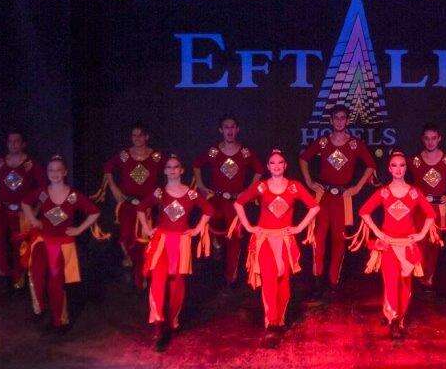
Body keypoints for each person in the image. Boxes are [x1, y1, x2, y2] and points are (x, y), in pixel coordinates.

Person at [233, 149, 320, 348]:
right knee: (269, 280)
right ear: (268, 166)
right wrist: (248, 226)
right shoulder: (261, 186)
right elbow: (238, 203)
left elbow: (315, 207)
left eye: (280, 162)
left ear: (285, 165)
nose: (276, 166)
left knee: (284, 282)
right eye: (272, 163)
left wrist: (299, 227)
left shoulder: (294, 186)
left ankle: (279, 320)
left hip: (285, 241)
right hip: (264, 240)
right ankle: (271, 324)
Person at [136, 155, 213, 352]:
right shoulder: (160, 193)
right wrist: (147, 228)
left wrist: (197, 229)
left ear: (181, 170)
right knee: (157, 282)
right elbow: (141, 208)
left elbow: (208, 210)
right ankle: (159, 325)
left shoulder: (191, 194)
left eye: (176, 167)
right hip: (161, 242)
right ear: (165, 171)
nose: (172, 170)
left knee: (177, 285)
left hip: (181, 243)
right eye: (169, 167)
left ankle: (172, 322)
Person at [355, 151, 436, 339]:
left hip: (408, 246)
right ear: (389, 169)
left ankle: (400, 317)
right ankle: (393, 319)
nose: (398, 169)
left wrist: (421, 234)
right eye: (394, 165)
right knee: (391, 282)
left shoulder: (414, 192)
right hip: (389, 246)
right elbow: (364, 211)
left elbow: (431, 214)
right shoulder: (383, 192)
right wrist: (378, 233)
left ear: (406, 168)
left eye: (402, 165)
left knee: (405, 284)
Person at [298, 104, 376, 297]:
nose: (340, 121)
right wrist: (309, 182)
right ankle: (317, 279)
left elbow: (371, 165)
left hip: (342, 198)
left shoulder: (355, 144)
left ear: (347, 120)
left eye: (343, 118)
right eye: (336, 118)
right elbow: (303, 159)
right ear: (331, 120)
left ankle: (334, 281)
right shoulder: (323, 142)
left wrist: (357, 187)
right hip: (324, 197)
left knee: (339, 240)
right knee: (319, 238)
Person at [21, 156, 103, 334]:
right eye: (51, 170)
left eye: (58, 170)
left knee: (56, 283)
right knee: (36, 275)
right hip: (43, 241)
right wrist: (33, 220)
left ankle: (59, 321)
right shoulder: (43, 193)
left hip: (62, 245)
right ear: (47, 172)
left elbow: (94, 212)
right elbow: (25, 203)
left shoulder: (73, 196)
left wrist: (79, 229)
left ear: (65, 172)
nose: (55, 173)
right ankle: (40, 309)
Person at [192, 116, 263, 289]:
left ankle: (231, 278)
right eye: (226, 127)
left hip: (235, 203)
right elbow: (196, 165)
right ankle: (215, 253)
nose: (229, 130)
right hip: (216, 200)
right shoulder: (214, 152)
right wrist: (200, 185)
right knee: (213, 228)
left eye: (232, 127)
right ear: (221, 130)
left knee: (235, 239)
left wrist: (248, 191)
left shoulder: (245, 152)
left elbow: (260, 170)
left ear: (237, 129)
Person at [97, 124, 163, 290]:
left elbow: (170, 170)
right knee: (127, 235)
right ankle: (133, 263)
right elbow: (107, 168)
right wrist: (113, 187)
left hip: (149, 205)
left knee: (147, 238)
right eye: (134, 135)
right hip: (129, 203)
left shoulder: (156, 156)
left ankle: (145, 270)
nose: (137, 138)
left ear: (146, 137)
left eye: (140, 135)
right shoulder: (125, 156)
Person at [0, 131, 46, 291]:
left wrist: (35, 210)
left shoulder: (30, 165)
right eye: (10, 141)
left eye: (17, 141)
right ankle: (3, 276)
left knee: (20, 244)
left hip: (23, 210)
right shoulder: (0, 163)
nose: (13, 144)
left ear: (23, 144)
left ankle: (19, 278)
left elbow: (45, 189)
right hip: (2, 208)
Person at [408, 124, 446, 298]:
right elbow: (402, 180)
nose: (430, 142)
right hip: (420, 209)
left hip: (438, 209)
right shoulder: (415, 160)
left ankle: (428, 279)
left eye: (434, 138)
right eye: (427, 138)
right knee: (419, 242)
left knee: (434, 244)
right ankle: (417, 277)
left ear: (439, 139)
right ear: (422, 139)